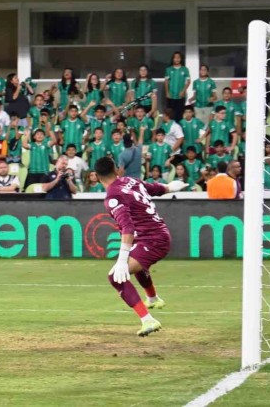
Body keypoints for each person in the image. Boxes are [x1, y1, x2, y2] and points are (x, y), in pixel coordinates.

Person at [94, 156, 186, 336]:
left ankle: (148, 320)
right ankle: (152, 298)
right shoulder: (131, 181)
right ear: (116, 170)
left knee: (115, 277)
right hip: (155, 236)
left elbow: (128, 228)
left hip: (151, 240)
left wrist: (121, 261)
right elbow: (157, 189)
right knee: (136, 264)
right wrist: (171, 187)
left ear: (96, 177)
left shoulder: (113, 196)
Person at [164, 52, 190, 120]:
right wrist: (167, 92)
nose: (177, 59)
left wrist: (183, 91)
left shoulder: (185, 69)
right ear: (173, 59)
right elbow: (166, 81)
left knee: (179, 114)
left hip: (180, 96)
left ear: (181, 59)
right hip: (171, 96)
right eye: (175, 57)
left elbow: (188, 81)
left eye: (178, 57)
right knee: (170, 115)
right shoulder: (169, 69)